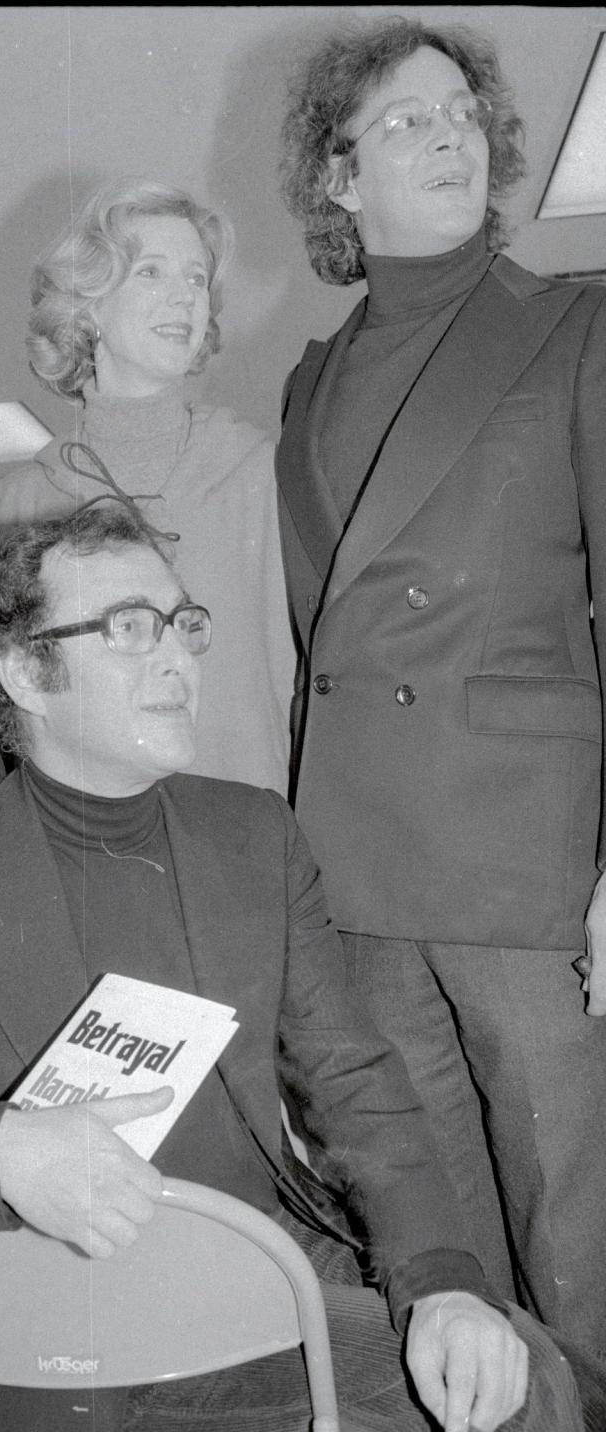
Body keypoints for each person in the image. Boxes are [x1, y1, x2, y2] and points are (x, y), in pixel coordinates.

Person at [0, 504, 606, 1432]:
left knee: (535, 1375)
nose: (176, 656)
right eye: (127, 626)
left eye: (182, 622)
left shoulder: (254, 838)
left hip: (257, 1285)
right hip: (61, 1354)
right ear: (23, 672)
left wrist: (446, 1283)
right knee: (520, 1397)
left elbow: (363, 1090)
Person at [276, 15, 606, 1356]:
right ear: (340, 183)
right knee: (443, 1236)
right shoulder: (307, 381)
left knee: (574, 1232)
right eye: (407, 121)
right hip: (357, 877)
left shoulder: (577, 323)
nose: (451, 136)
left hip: (518, 865)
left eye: (464, 113)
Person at [0, 177, 294, 795]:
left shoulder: (263, 473)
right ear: (88, 306)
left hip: (243, 835)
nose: (184, 298)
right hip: (87, 849)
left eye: (196, 279)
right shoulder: (19, 506)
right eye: (151, 272)